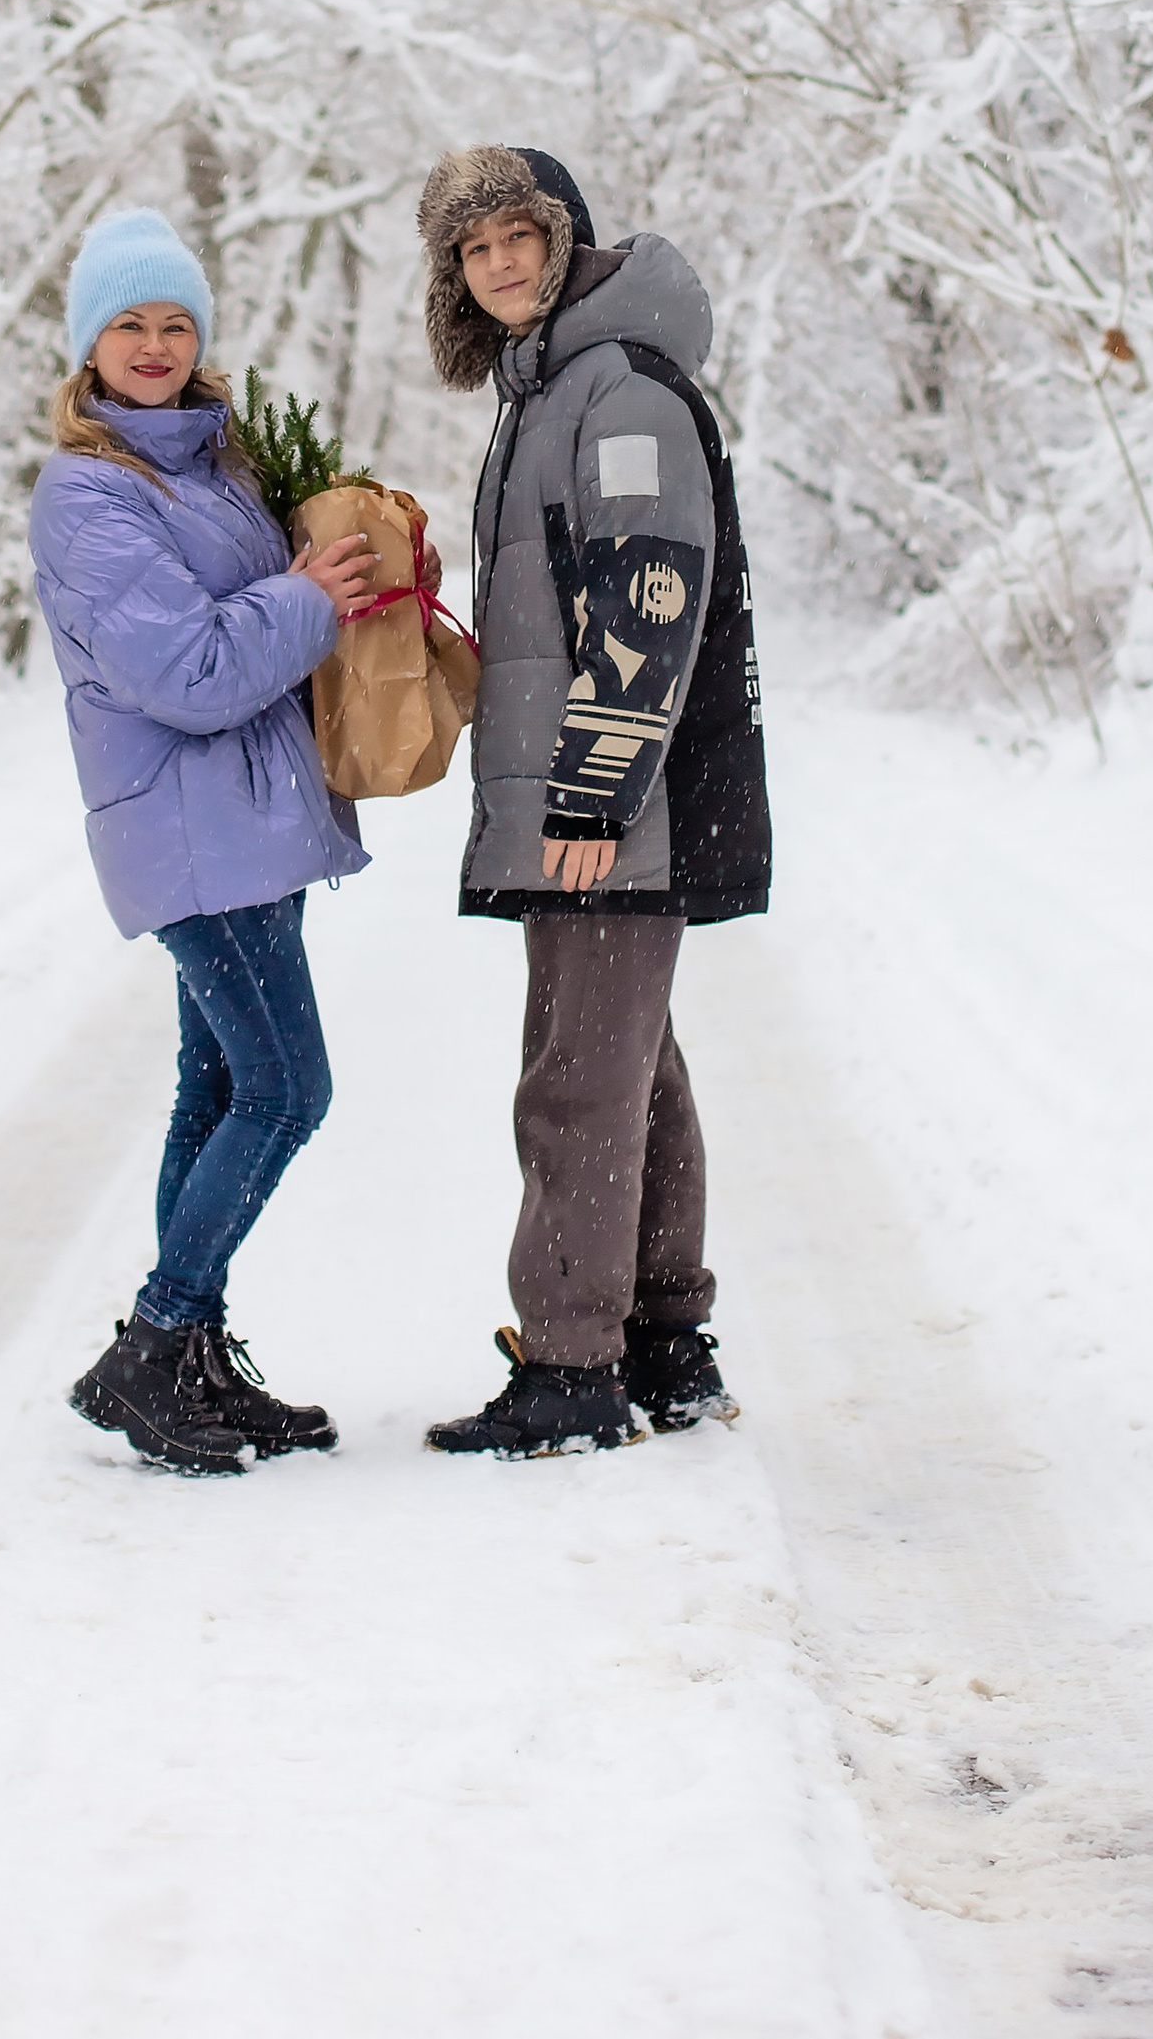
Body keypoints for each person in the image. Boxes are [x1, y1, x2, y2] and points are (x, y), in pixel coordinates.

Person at [415, 144, 771, 1458]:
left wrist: (591, 798)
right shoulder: (553, 390)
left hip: (616, 814)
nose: (501, 262)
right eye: (475, 247)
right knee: (634, 1073)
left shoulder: (615, 395)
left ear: (565, 240)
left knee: (575, 1081)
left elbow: (649, 600)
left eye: (519, 234)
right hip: (608, 810)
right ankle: (665, 1344)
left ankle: (572, 1367)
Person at [30, 206, 380, 1476]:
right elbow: (186, 666)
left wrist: (355, 571)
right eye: (129, 322)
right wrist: (306, 597)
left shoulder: (214, 466)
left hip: (246, 823)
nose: (156, 343)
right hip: (190, 834)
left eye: (176, 322)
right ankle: (156, 1337)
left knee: (221, 1086)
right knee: (289, 1088)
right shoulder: (86, 493)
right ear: (87, 347)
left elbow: (278, 604)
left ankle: (188, 1361)